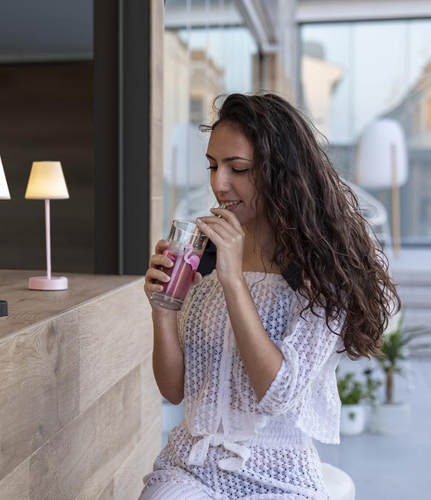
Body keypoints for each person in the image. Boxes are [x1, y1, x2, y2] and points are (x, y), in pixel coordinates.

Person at [140, 93, 400, 499]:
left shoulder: (320, 271)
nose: (218, 183)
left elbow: (278, 394)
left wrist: (233, 281)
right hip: (191, 467)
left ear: (281, 171)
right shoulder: (202, 254)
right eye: (213, 166)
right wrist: (163, 310)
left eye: (238, 168)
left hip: (279, 476)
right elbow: (174, 391)